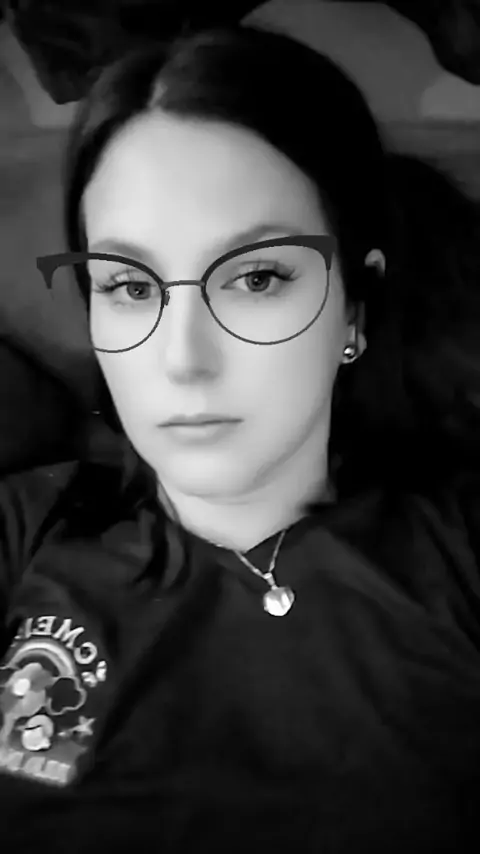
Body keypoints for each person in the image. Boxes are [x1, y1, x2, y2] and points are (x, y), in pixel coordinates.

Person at [1, 22, 480, 853]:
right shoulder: (23, 530)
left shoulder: (460, 551)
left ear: (354, 308)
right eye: (129, 286)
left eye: (257, 277)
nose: (181, 359)